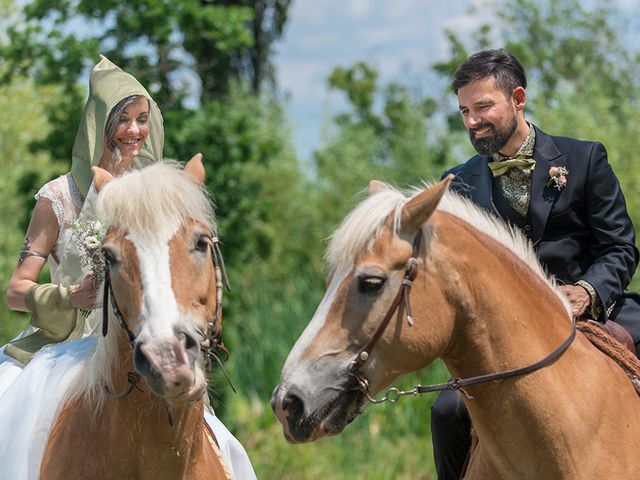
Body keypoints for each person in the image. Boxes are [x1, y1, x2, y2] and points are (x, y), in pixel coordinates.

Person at [0, 56, 255, 479]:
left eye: (141, 119)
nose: (135, 131)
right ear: (99, 123)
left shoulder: (155, 195)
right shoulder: (58, 197)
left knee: (228, 448)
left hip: (144, 340)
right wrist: (67, 296)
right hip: (64, 343)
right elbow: (15, 289)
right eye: (123, 120)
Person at [431, 48, 640, 480]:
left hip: (598, 312)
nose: (472, 121)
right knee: (447, 411)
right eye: (464, 111)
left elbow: (620, 247)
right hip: (507, 334)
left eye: (483, 106)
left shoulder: (584, 159)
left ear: (518, 98)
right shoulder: (456, 185)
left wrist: (587, 292)